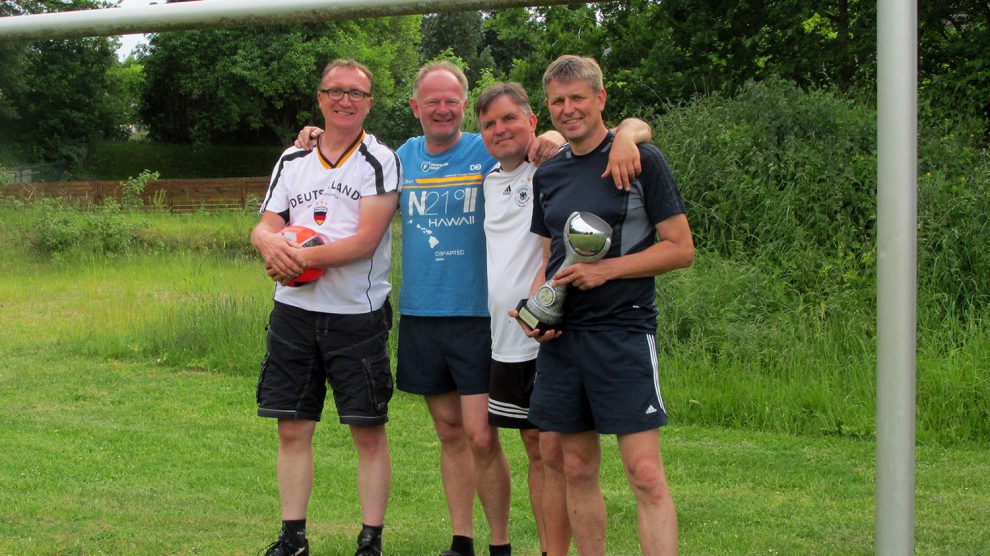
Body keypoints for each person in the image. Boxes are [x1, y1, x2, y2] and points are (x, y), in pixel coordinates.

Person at [514, 55, 694, 556]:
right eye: (558, 101)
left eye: (578, 98)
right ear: (548, 107)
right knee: (575, 468)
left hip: (623, 333)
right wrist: (536, 311)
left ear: (601, 99)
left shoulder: (639, 158)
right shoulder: (549, 174)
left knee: (645, 473)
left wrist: (604, 271)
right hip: (564, 341)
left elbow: (681, 248)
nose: (569, 109)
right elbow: (549, 258)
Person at [475, 82, 653, 556]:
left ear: (534, 122)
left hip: (577, 331)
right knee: (546, 454)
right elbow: (547, 251)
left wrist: (627, 135)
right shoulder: (489, 175)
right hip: (516, 331)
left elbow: (605, 131)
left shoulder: (549, 155)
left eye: (511, 118)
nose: (500, 129)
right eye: (489, 124)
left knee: (560, 453)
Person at [251, 59, 400, 556]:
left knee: (367, 429)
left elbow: (365, 240)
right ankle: (292, 536)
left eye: (356, 93)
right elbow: (265, 224)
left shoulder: (380, 159)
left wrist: (297, 257)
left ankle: (370, 539)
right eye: (335, 92)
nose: (345, 101)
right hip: (293, 313)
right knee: (292, 427)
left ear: (369, 103)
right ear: (320, 98)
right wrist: (268, 247)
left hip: (356, 315)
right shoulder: (293, 159)